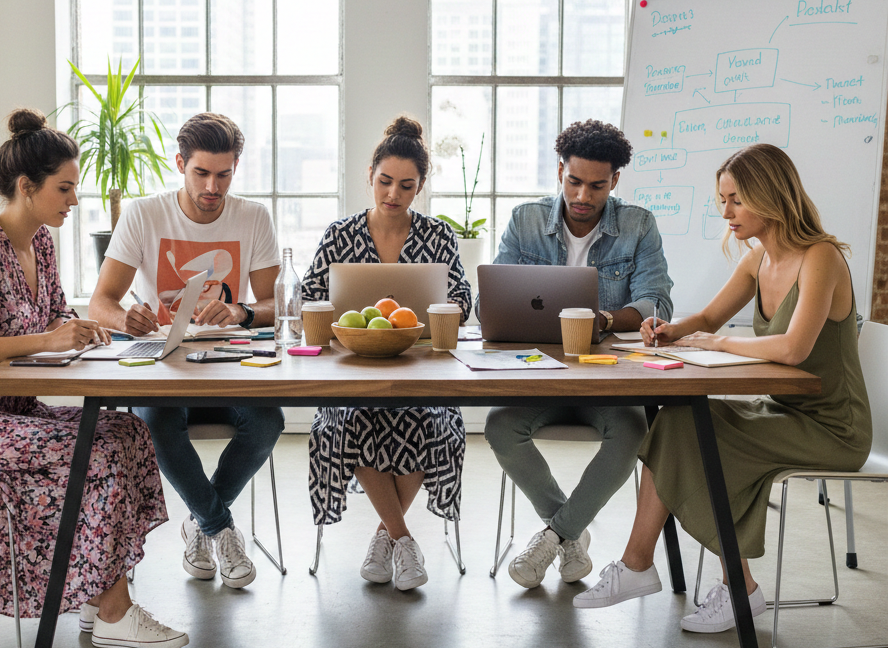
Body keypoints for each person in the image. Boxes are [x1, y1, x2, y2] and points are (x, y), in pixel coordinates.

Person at [574, 143, 872, 634]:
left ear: (771, 195)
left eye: (736, 199)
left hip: (834, 428)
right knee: (678, 418)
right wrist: (670, 329)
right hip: (782, 411)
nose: (726, 212)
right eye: (722, 199)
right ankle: (646, 566)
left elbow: (794, 348)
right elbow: (709, 316)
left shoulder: (821, 258)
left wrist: (718, 341)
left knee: (699, 439)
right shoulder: (759, 260)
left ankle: (724, 586)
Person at [0, 109, 187, 648]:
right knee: (98, 450)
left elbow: (49, 318)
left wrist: (80, 330)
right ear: (27, 186)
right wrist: (48, 340)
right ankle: (114, 613)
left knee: (127, 434)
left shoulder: (40, 243)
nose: (72, 200)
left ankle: (96, 595)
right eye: (63, 188)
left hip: (13, 411)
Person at [88, 112, 284, 590]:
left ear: (236, 167)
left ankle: (201, 524)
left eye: (224, 174)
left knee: (268, 421)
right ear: (180, 163)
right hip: (165, 361)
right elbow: (101, 302)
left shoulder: (254, 217)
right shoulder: (144, 213)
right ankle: (219, 527)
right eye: (201, 173)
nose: (212, 186)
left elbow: (274, 306)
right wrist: (125, 320)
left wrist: (239, 311)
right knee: (154, 422)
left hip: (231, 363)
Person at [480, 119, 673, 589]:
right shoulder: (525, 220)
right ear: (560, 171)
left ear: (616, 181)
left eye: (597, 185)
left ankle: (552, 535)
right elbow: (490, 299)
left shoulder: (638, 224)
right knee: (501, 426)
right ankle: (569, 534)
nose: (583, 196)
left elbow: (657, 302)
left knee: (631, 428)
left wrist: (603, 320)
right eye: (574, 181)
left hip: (604, 374)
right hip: (537, 374)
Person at [302, 116, 472, 591]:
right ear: (369, 174)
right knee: (344, 423)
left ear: (420, 187)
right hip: (352, 369)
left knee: (438, 423)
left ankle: (385, 537)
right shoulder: (340, 234)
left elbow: (463, 300)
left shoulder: (438, 236)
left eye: (406, 185)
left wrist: (444, 310)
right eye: (384, 181)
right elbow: (311, 294)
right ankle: (403, 539)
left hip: (421, 370)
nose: (392, 194)